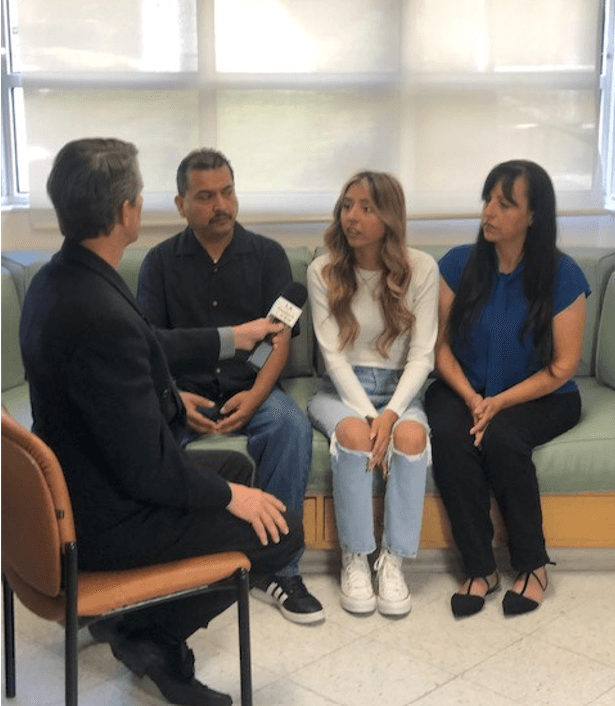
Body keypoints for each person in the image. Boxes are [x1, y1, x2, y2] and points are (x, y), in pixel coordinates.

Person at [19, 138, 304, 706]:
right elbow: (152, 472)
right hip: (104, 520)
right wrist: (227, 497)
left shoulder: (58, 281)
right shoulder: (102, 310)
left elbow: (146, 342)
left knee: (235, 469)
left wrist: (233, 337)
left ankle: (143, 625)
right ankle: (150, 633)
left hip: (79, 487)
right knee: (279, 529)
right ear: (129, 209)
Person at [137, 148, 323, 624]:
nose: (221, 205)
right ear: (181, 204)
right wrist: (175, 399)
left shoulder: (267, 255)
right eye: (205, 196)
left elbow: (278, 338)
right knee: (147, 436)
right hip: (184, 393)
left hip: (251, 387)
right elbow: (149, 345)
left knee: (290, 427)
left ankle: (278, 568)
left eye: (227, 192)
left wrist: (258, 396)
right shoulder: (158, 264)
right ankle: (173, 564)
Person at [424, 160, 590, 618]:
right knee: (453, 439)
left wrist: (499, 403)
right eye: (487, 200)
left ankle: (533, 567)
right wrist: (475, 399)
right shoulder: (457, 265)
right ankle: (480, 569)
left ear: (534, 216)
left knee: (501, 438)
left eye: (504, 203)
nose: (489, 212)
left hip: (543, 396)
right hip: (462, 388)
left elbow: (562, 367)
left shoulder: (563, 274)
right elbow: (439, 349)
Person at [307, 171, 439, 616]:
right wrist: (369, 417)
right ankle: (356, 558)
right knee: (355, 436)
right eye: (347, 205)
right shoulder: (322, 269)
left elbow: (422, 357)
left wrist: (392, 414)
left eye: (366, 207)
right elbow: (333, 358)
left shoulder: (421, 268)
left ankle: (393, 561)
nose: (353, 217)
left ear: (389, 215)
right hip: (342, 390)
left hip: (401, 389)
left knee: (410, 438)